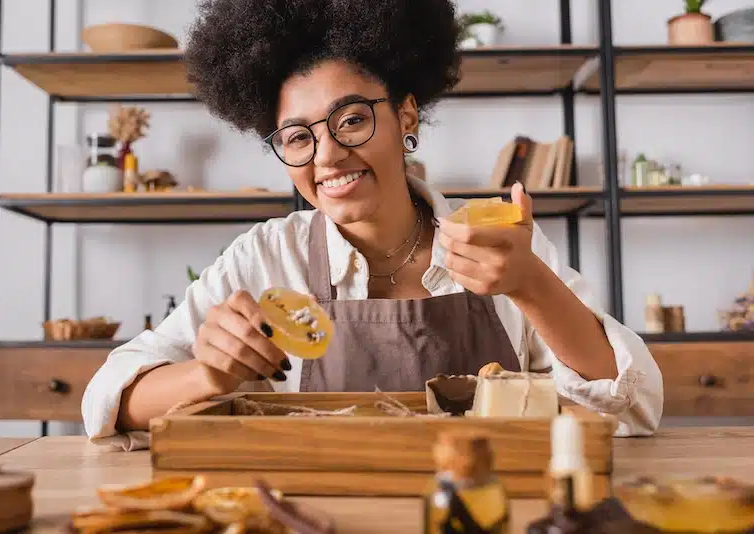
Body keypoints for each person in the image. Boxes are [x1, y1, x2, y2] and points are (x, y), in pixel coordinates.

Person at [81, 0, 663, 451]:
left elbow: (633, 410)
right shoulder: (264, 257)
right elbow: (107, 403)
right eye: (298, 136)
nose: (328, 155)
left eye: (352, 119)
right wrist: (205, 374)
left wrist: (532, 284)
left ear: (406, 114)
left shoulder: (502, 242)